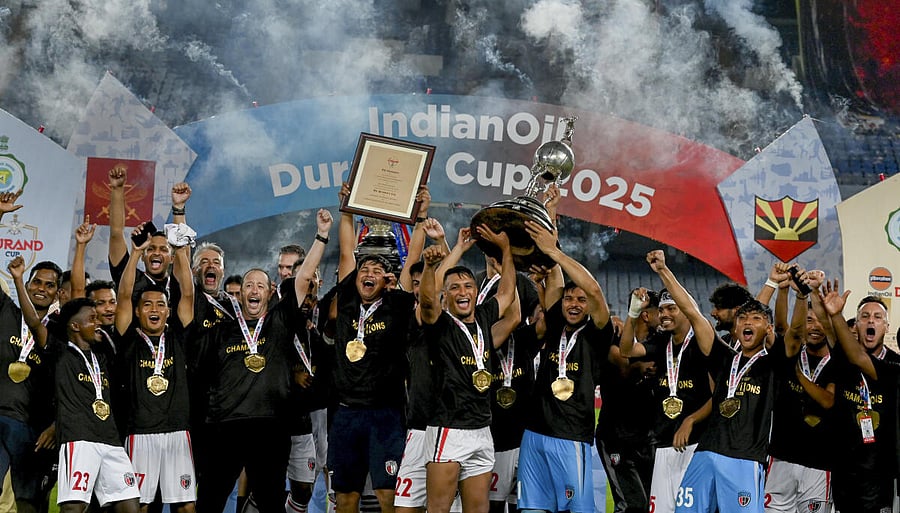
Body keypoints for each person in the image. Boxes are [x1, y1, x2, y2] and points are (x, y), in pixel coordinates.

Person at [195, 209, 332, 513]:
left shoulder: (282, 321)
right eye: (248, 285)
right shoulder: (221, 330)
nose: (254, 290)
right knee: (209, 502)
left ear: (271, 292)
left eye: (260, 285)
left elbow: (305, 276)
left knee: (270, 502)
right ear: (240, 294)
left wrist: (321, 235)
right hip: (224, 427)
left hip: (271, 427)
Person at [13, 259, 140, 513]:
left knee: (130, 506)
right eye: (92, 318)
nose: (98, 322)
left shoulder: (103, 354)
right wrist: (18, 279)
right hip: (78, 441)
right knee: (74, 508)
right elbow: (35, 324)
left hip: (110, 440)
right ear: (74, 326)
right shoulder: (59, 352)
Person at [669, 249, 784, 513]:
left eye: (756, 320)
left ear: (767, 329)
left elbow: (780, 326)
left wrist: (776, 286)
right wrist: (664, 270)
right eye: (742, 318)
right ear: (736, 326)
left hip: (744, 459)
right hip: (706, 452)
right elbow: (693, 313)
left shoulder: (773, 364)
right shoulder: (724, 358)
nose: (748, 322)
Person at [327, 183, 419, 513]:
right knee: (346, 497)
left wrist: (420, 219)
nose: (369, 272)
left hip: (386, 414)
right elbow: (347, 251)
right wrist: (348, 208)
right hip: (346, 413)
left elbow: (411, 266)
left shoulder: (395, 305)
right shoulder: (349, 302)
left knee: (389, 495)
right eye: (365, 269)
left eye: (378, 271)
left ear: (386, 281)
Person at [417, 222, 518, 513]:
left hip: (482, 428)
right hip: (449, 427)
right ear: (445, 296)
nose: (463, 292)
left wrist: (507, 249)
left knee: (478, 509)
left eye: (468, 286)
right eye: (454, 288)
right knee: (439, 509)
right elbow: (426, 302)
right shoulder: (441, 324)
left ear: (476, 291)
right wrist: (429, 269)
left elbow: (508, 291)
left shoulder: (485, 318)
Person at [516, 219, 613, 513]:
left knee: (578, 509)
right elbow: (556, 281)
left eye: (580, 300)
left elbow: (594, 290)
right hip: (534, 432)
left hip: (570, 435)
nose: (573, 303)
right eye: (569, 297)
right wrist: (550, 223)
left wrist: (556, 253)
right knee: (532, 508)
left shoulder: (598, 332)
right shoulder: (556, 324)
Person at [114, 227, 196, 513]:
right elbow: (124, 295)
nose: (154, 308)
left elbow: (187, 293)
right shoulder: (129, 338)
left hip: (177, 432)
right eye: (146, 304)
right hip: (140, 433)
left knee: (186, 506)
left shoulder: (178, 337)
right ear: (138, 312)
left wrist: (182, 253)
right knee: (141, 505)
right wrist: (136, 253)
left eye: (160, 304)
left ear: (168, 312)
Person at [619, 280, 713, 513]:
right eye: (661, 310)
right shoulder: (661, 342)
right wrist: (633, 313)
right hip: (663, 445)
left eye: (671, 308)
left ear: (685, 309)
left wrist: (691, 420)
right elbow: (626, 350)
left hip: (696, 446)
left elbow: (718, 395)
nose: (664, 314)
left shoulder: (703, 343)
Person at [821, 287, 900, 513]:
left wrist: (836, 315)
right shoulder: (843, 360)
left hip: (879, 476)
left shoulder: (895, 366)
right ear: (856, 326)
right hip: (844, 471)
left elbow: (858, 356)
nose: (870, 321)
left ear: (886, 326)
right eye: (864, 316)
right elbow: (828, 330)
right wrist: (817, 295)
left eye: (877, 317)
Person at [764, 269, 836, 513]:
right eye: (808, 320)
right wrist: (784, 289)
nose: (814, 326)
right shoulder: (792, 352)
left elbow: (828, 401)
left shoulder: (838, 362)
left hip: (819, 462)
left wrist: (797, 375)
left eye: (819, 320)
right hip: (781, 456)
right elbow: (784, 328)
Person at [596, 288, 659, 513]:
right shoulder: (614, 335)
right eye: (658, 311)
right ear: (646, 314)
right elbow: (621, 363)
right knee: (630, 505)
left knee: (648, 504)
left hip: (646, 437)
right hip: (615, 437)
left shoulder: (660, 343)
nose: (663, 316)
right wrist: (640, 367)